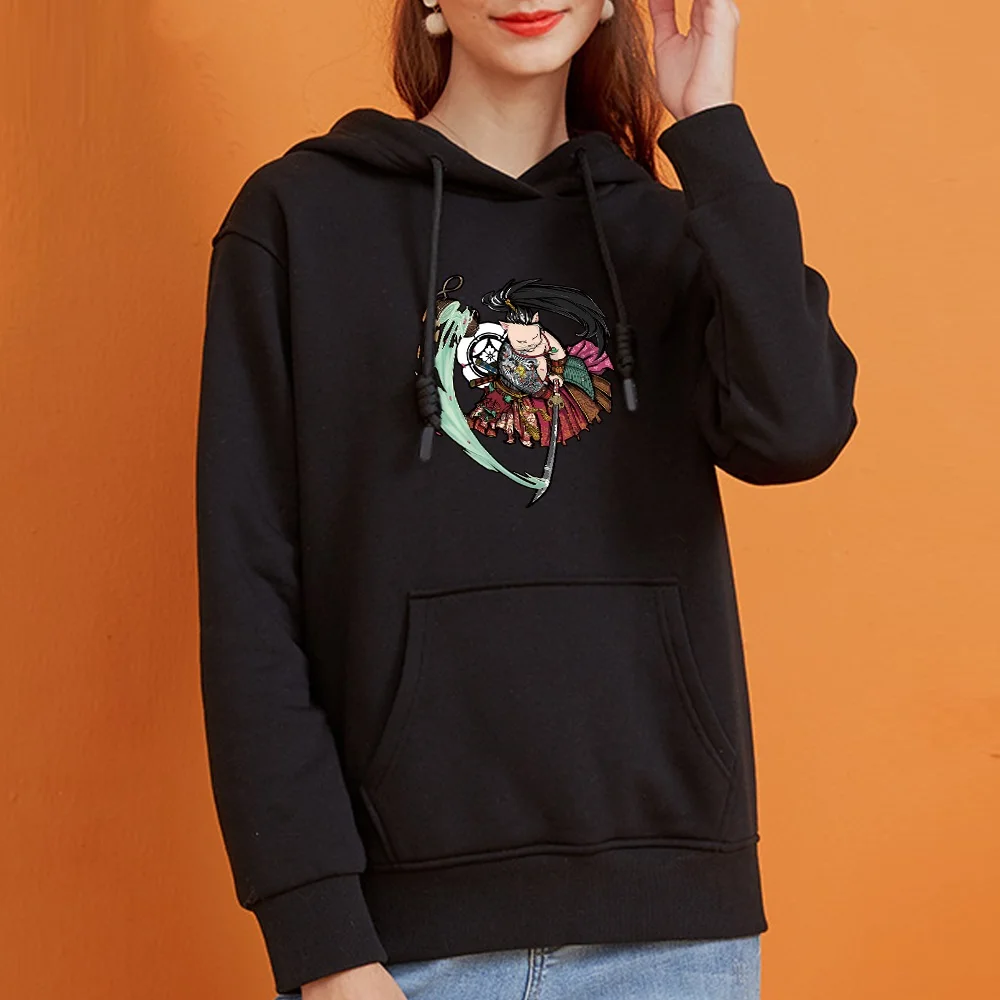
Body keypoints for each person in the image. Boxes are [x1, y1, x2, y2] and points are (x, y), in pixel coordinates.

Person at [194, 1, 859, 998]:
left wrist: (710, 130)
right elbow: (248, 593)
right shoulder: (298, 220)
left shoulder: (666, 229)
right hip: (400, 943)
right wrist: (320, 939)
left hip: (671, 938)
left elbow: (797, 428)